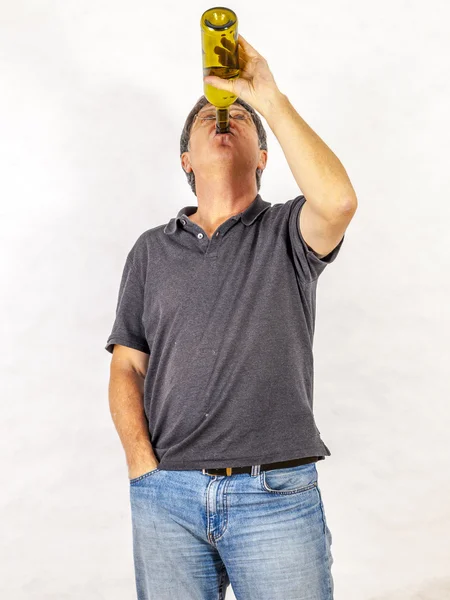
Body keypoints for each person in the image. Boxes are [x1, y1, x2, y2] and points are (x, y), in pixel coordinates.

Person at [105, 34, 357, 600]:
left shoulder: (288, 232)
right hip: (167, 496)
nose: (226, 117)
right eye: (210, 117)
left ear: (263, 157)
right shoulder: (151, 251)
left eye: (240, 117)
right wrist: (143, 468)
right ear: (186, 161)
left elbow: (339, 202)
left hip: (275, 494)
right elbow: (127, 369)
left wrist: (263, 95)